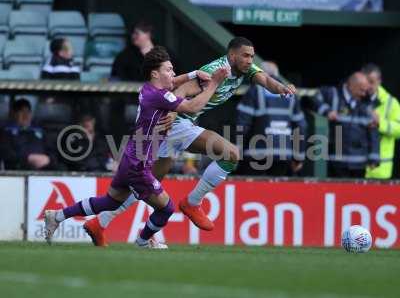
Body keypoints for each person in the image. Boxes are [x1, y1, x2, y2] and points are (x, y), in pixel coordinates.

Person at [82, 36, 296, 247]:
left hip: (176, 127)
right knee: (231, 154)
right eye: (246, 56)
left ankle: (101, 223)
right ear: (232, 55)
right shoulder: (216, 70)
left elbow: (267, 80)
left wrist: (283, 88)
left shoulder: (247, 69)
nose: (250, 60)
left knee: (146, 184)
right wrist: (174, 113)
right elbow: (184, 89)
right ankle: (192, 203)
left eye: (251, 56)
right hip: (179, 123)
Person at [44, 46, 228, 249]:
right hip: (139, 164)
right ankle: (143, 242)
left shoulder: (149, 89)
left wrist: (193, 74)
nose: (173, 74)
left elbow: (174, 82)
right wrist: (214, 84)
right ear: (155, 73)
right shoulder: (159, 96)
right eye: (168, 69)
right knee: (166, 209)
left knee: (110, 202)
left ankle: (57, 216)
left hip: (131, 156)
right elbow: (193, 107)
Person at [314, 72, 380, 178]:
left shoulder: (367, 103)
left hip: (359, 164)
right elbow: (313, 99)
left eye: (365, 90)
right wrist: (327, 111)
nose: (363, 94)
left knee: (356, 194)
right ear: (350, 86)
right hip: (336, 162)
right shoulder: (333, 94)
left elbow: (373, 133)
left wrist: (374, 158)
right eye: (361, 90)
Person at [362, 64, 400, 179]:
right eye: (365, 82)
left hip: (380, 170)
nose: (368, 86)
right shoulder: (355, 98)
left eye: (371, 82)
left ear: (379, 81)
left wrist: (380, 123)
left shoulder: (391, 103)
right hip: (355, 168)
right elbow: (340, 129)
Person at [111, 21, 180, 81]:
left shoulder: (165, 53)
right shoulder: (124, 56)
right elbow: (117, 76)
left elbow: (177, 72)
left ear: (148, 34)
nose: (133, 36)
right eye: (133, 34)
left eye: (137, 33)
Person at [2, 99, 58, 170]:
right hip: (19, 168)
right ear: (14, 114)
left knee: (61, 168)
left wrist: (49, 159)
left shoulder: (40, 131)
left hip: (44, 167)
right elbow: (6, 154)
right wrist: (28, 158)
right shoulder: (6, 132)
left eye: (28, 112)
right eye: (21, 111)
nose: (26, 115)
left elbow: (52, 151)